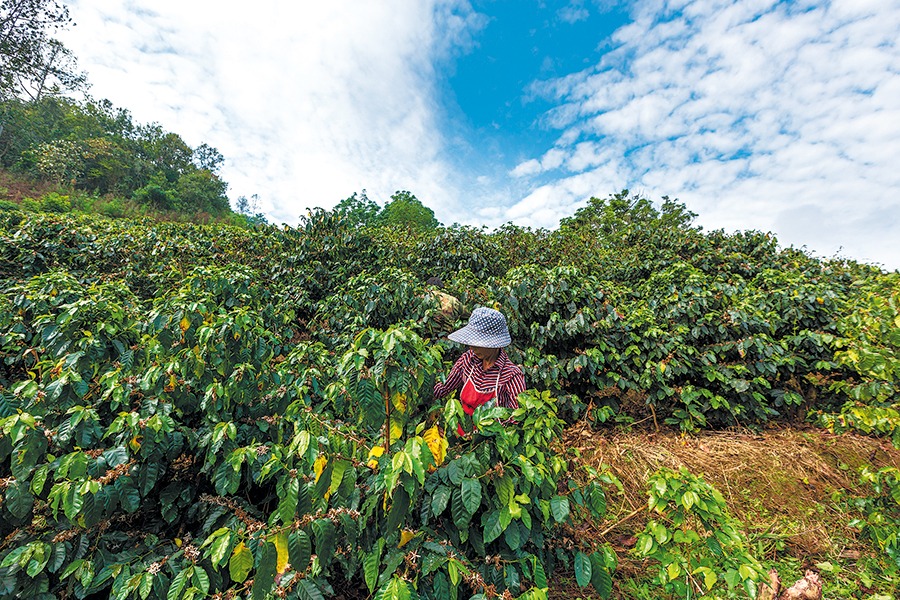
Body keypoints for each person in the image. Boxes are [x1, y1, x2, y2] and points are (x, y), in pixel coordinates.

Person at [433, 307, 526, 434]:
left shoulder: (511, 375)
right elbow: (444, 388)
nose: (472, 347)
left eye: (478, 343)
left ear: (495, 344)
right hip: (461, 434)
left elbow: (517, 419)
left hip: (491, 441)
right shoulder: (467, 360)